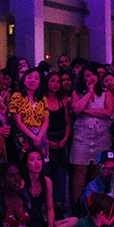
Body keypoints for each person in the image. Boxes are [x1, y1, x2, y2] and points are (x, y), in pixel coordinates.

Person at [70, 65, 114, 207]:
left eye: (93, 75)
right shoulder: (77, 93)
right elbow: (76, 109)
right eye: (87, 75)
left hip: (101, 135)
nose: (91, 78)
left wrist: (87, 111)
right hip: (82, 136)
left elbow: (108, 112)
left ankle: (97, 204)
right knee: (79, 170)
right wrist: (89, 93)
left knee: (98, 169)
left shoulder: (106, 93)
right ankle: (77, 205)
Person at [20, 148, 77, 227]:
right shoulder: (22, 183)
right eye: (32, 160)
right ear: (26, 164)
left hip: (41, 222)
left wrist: (51, 224)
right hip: (28, 224)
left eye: (39, 159)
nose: (37, 162)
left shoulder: (46, 181)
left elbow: (50, 208)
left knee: (74, 221)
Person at [45, 71, 72, 218]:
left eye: (58, 82)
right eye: (53, 81)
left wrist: (64, 140)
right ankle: (43, 205)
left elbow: (68, 123)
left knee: (60, 174)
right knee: (45, 173)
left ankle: (58, 205)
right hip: (46, 138)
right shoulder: (41, 100)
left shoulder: (63, 101)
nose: (55, 84)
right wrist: (47, 141)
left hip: (61, 138)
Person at [8, 68, 50, 163]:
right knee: (25, 165)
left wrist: (39, 136)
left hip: (41, 137)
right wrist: (33, 137)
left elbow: (46, 120)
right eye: (30, 77)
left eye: (36, 78)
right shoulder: (17, 96)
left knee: (41, 166)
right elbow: (18, 122)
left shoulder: (42, 98)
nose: (32, 80)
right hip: (24, 137)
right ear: (24, 80)